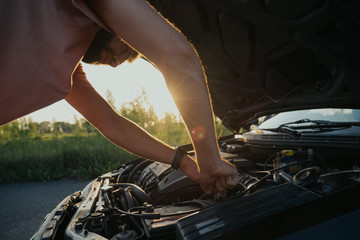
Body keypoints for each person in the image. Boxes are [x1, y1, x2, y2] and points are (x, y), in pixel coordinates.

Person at [0, 0, 238, 198]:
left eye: (118, 62)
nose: (113, 63)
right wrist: (209, 159)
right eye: (123, 50)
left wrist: (184, 162)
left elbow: (113, 125)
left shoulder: (66, 69)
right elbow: (177, 55)